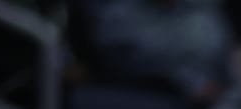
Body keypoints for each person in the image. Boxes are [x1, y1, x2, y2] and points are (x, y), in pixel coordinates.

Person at [84, 0, 232, 103]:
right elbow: (132, 66)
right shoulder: (118, 20)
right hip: (171, 103)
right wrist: (192, 84)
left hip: (233, 90)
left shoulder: (201, 9)